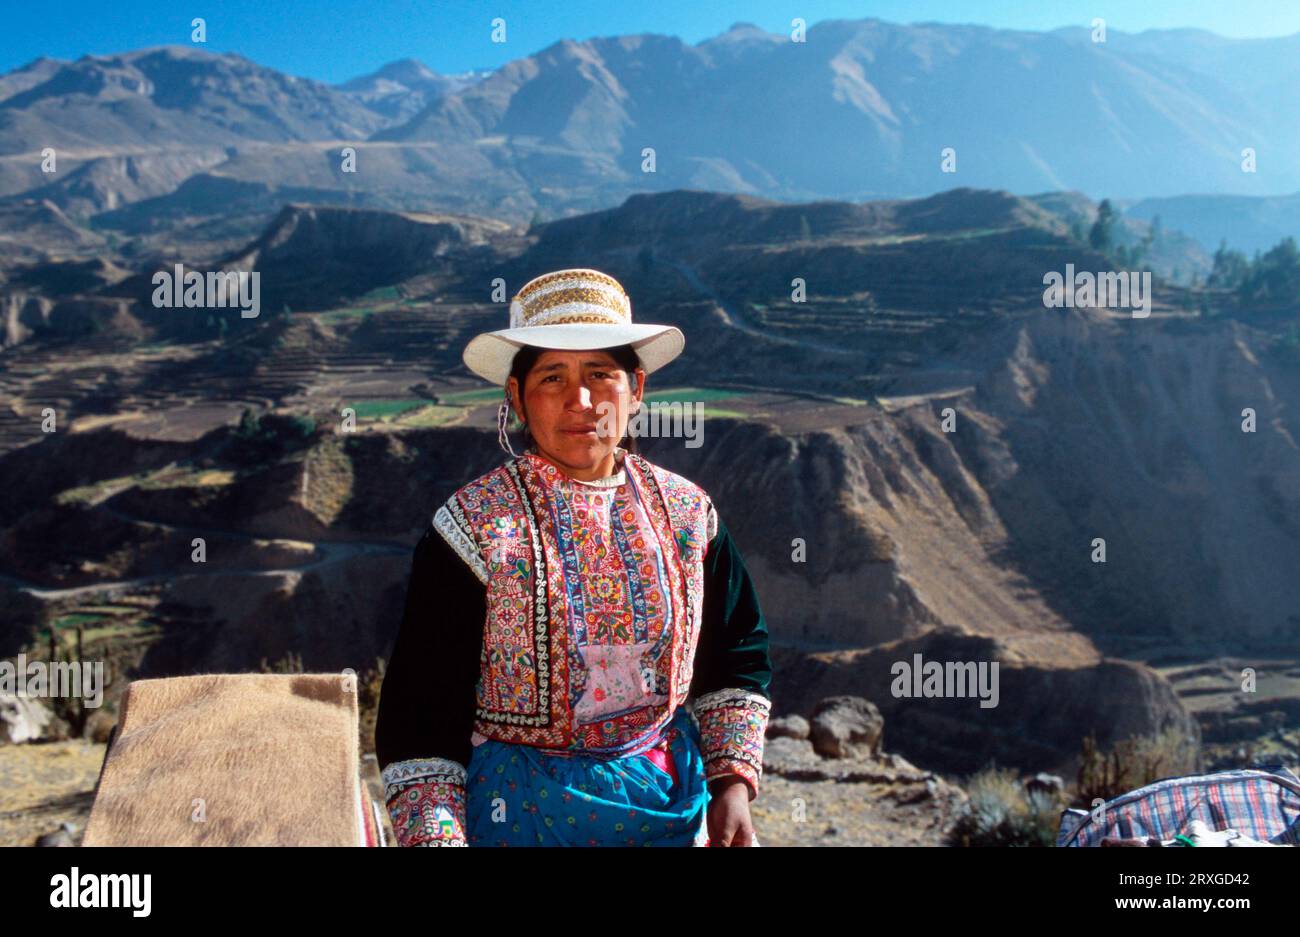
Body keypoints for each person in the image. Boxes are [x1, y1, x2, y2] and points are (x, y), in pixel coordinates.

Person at [374, 268, 772, 846]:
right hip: (517, 813)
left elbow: (734, 648)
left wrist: (730, 784)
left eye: (600, 374)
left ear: (636, 389)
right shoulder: (474, 530)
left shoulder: (690, 516)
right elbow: (421, 706)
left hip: (667, 803)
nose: (580, 400)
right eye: (552, 376)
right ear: (516, 397)